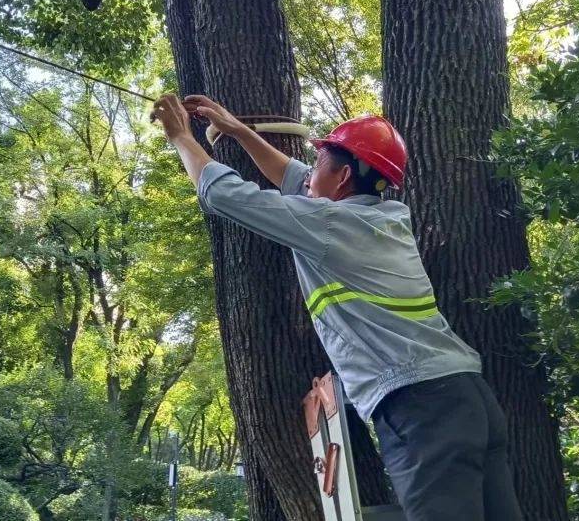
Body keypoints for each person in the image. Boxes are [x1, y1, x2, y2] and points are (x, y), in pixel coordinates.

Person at [152, 94, 523, 521]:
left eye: (321, 165)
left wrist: (181, 136)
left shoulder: (329, 224)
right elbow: (293, 177)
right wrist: (236, 130)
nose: (309, 177)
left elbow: (226, 196)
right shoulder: (384, 218)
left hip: (421, 408)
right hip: (468, 397)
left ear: (344, 177)